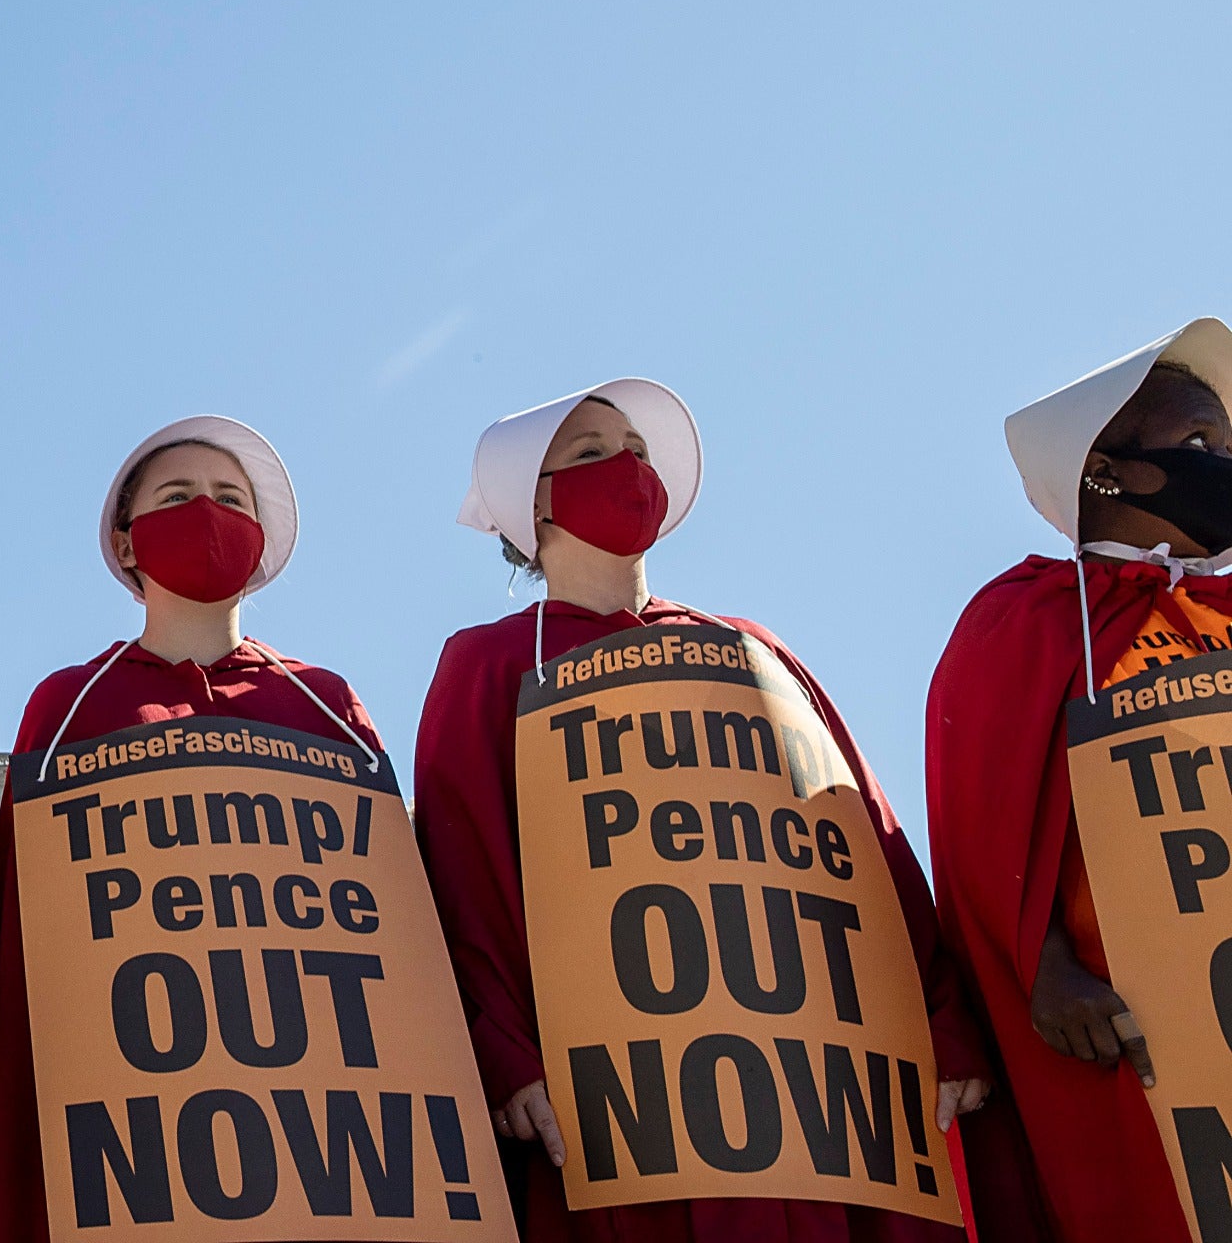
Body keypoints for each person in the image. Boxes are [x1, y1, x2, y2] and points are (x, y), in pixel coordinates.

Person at [414, 378, 986, 1241]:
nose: (628, 466)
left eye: (636, 449)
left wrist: (941, 1017)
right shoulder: (491, 665)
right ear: (530, 502)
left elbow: (860, 836)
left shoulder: (750, 649)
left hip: (813, 1084)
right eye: (591, 452)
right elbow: (467, 870)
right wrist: (504, 1055)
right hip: (621, 1101)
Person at [0, 415, 383, 1243]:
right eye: (178, 496)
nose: (207, 511)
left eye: (229, 498)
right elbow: (26, 934)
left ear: (260, 539)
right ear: (128, 545)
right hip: (135, 1132)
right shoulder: (68, 707)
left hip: (317, 1127)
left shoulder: (324, 704)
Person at [928, 321, 1232, 1242]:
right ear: (1105, 470)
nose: (1220, 463)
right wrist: (1044, 970)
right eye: (1194, 447)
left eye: (1226, 445)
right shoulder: (1024, 622)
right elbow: (979, 832)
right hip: (1130, 1025)